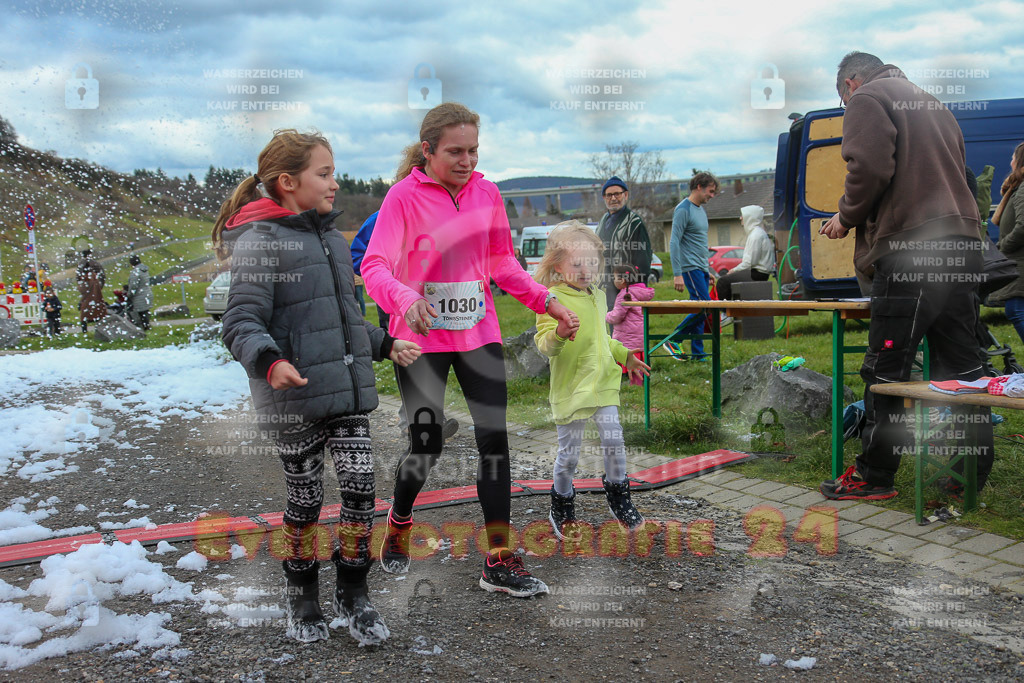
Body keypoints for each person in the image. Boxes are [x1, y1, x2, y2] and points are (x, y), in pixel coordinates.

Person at [361, 102, 578, 597]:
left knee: (493, 440)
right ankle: (398, 519)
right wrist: (406, 298)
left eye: (474, 150)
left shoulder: (487, 194)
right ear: (428, 150)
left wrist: (546, 300)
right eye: (456, 151)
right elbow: (374, 266)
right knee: (426, 442)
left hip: (478, 333)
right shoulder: (402, 197)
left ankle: (498, 557)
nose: (467, 160)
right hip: (420, 338)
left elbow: (501, 262)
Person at [216, 129, 422, 645]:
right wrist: (270, 361)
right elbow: (240, 319)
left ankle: (354, 594)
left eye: (333, 172)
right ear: (287, 182)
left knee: (359, 491)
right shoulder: (260, 242)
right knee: (305, 501)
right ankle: (301, 594)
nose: (335, 183)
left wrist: (385, 343)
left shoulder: (332, 238)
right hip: (293, 399)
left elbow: (343, 319)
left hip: (345, 395)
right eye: (324, 174)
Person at [818, 51, 992, 500]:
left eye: (841, 100)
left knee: (886, 369)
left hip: (912, 253)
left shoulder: (867, 98)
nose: (844, 109)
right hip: (963, 248)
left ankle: (874, 478)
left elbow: (870, 167)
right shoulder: (932, 103)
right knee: (963, 368)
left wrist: (845, 216)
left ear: (850, 83)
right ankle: (966, 476)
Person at [534, 222, 650, 539]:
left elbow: (604, 339)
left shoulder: (599, 297)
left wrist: (626, 356)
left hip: (604, 386)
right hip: (572, 390)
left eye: (592, 263)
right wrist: (559, 333)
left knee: (614, 443)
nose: (586, 270)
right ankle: (562, 502)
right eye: (576, 264)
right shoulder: (550, 299)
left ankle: (619, 497)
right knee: (569, 455)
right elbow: (544, 345)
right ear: (557, 265)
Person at [351, 210, 460, 442]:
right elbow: (358, 257)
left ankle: (430, 418)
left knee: (431, 354)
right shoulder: (381, 218)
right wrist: (391, 277)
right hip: (395, 299)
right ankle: (411, 423)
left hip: (429, 297)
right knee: (407, 353)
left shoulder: (433, 214)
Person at [669, 172, 719, 359]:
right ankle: (674, 339)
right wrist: (677, 273)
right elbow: (674, 242)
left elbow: (700, 243)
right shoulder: (683, 209)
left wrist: (708, 270)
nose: (712, 196)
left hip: (701, 268)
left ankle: (698, 353)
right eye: (710, 191)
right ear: (699, 186)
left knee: (698, 308)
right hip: (689, 268)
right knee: (704, 306)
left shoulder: (701, 210)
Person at [596, 176, 653, 310]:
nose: (613, 198)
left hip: (626, 285)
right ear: (604, 198)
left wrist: (634, 284)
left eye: (617, 194)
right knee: (609, 320)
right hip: (606, 284)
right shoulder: (603, 220)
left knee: (628, 325)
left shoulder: (634, 222)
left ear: (625, 195)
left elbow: (643, 257)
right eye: (609, 195)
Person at [992, 142, 1024, 344]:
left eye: (1013, 157)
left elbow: (1023, 226)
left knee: (1015, 309)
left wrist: (1002, 247)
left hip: (1020, 262)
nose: (1010, 161)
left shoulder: (1022, 189)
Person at [605, 263, 655, 386]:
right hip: (639, 334)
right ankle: (638, 382)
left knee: (627, 356)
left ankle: (625, 381)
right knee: (638, 359)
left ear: (622, 280)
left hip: (627, 336)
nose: (613, 280)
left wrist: (605, 316)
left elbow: (617, 316)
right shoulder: (640, 292)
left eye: (615, 277)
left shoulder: (624, 294)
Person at [715, 205, 775, 301]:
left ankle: (726, 313)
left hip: (757, 274)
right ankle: (732, 310)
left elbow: (750, 263)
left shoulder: (756, 235)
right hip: (758, 273)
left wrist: (734, 270)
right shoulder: (757, 233)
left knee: (722, 282)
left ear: (750, 217)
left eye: (743, 215)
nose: (740, 218)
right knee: (727, 280)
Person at [75, 249, 106, 334]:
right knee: (98, 312)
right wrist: (99, 288)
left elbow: (79, 279)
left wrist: (81, 286)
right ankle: (100, 330)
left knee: (85, 314)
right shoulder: (96, 264)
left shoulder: (81, 264)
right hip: (96, 292)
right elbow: (103, 276)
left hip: (88, 294)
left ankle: (85, 331)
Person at [127, 254, 152, 330]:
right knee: (145, 312)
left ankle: (142, 328)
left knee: (139, 313)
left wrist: (129, 295)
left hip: (139, 296)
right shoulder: (144, 270)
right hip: (147, 293)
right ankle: (147, 326)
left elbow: (133, 286)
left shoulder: (136, 272)